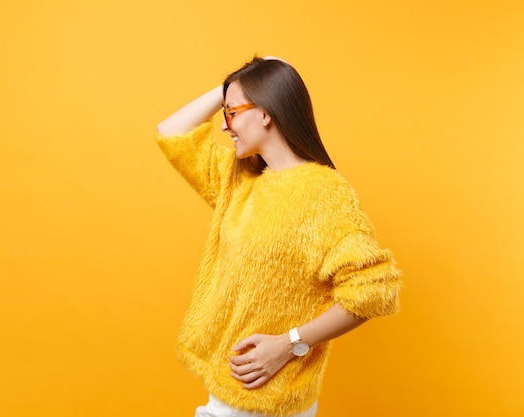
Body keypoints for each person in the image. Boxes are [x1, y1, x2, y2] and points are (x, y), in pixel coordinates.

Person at [156, 56, 403, 417]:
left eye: (232, 114)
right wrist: (235, 86)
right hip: (226, 393)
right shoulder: (240, 182)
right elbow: (171, 133)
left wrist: (291, 344)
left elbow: (374, 291)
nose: (225, 127)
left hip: (268, 402)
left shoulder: (324, 193)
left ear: (266, 113)